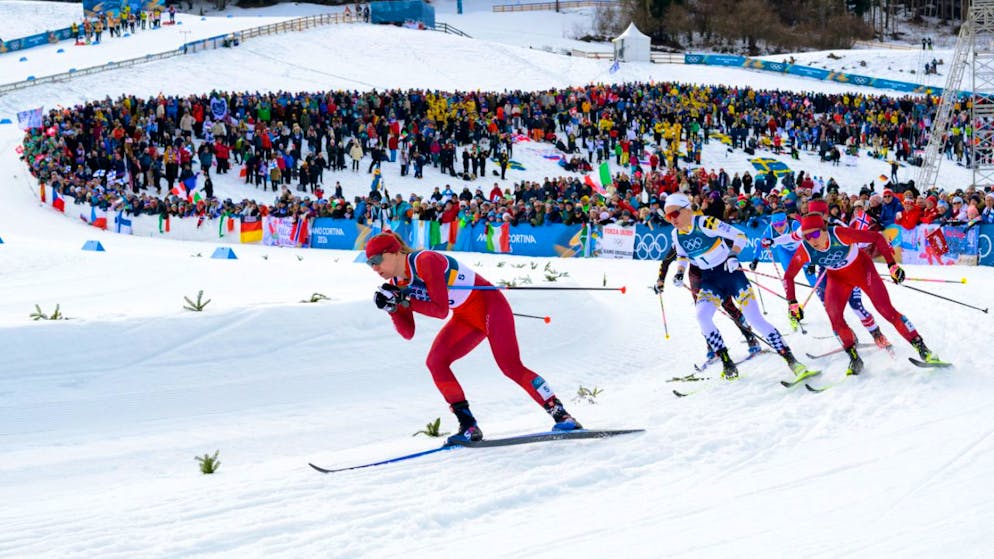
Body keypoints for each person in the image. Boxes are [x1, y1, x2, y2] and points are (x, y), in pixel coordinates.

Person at [364, 232, 581, 443]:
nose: (373, 268)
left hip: (491, 306)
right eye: (369, 263)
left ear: (393, 252)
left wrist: (405, 300)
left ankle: (561, 414)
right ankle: (468, 426)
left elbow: (440, 311)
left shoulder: (425, 261)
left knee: (511, 367)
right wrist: (392, 308)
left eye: (376, 260)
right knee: (436, 362)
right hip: (465, 317)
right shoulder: (397, 282)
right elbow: (408, 333)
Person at [663, 193, 813, 380]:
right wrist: (679, 271)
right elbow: (683, 255)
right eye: (666, 216)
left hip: (732, 274)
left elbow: (740, 236)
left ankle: (792, 361)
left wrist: (733, 255)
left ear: (686, 210)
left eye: (674, 214)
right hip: (710, 280)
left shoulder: (706, 223)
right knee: (702, 316)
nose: (671, 220)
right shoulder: (676, 234)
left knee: (755, 319)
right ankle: (727, 364)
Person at [782, 214, 942, 375]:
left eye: (815, 234)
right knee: (834, 318)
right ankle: (854, 359)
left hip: (863, 271)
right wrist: (792, 303)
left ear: (824, 230)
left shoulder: (840, 234)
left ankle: (923, 350)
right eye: (806, 236)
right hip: (838, 279)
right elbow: (788, 276)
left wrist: (892, 265)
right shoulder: (806, 249)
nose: (812, 240)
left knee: (887, 311)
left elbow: (877, 238)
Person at [656, 243, 762, 363]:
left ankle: (750, 337)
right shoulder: (680, 240)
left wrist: (731, 262)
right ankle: (712, 346)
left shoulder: (703, 231)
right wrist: (660, 280)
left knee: (729, 306)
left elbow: (726, 244)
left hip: (714, 272)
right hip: (696, 274)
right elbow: (666, 261)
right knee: (701, 312)